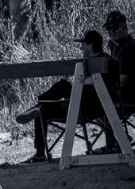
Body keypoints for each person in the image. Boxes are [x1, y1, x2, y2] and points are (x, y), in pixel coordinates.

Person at [16, 30, 114, 162]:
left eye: (83, 44)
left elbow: (96, 90)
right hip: (84, 103)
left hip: (87, 106)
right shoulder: (99, 60)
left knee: (57, 93)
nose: (81, 47)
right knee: (45, 107)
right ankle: (39, 107)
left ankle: (40, 108)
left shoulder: (99, 63)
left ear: (90, 45)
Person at [103, 10, 135, 106]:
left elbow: (123, 80)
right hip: (125, 91)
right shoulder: (114, 45)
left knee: (97, 95)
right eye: (108, 28)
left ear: (125, 27)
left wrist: (104, 89)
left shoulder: (129, 48)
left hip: (133, 94)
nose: (111, 31)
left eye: (115, 27)